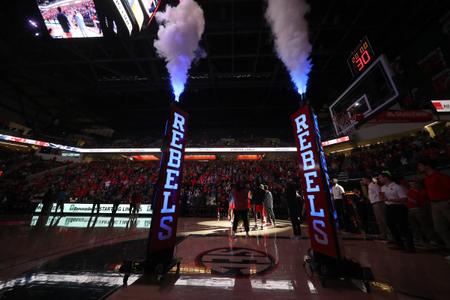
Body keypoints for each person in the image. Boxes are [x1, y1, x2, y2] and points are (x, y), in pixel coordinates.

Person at [417, 159, 450, 251]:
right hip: (434, 204)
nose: (418, 168)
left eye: (420, 165)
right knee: (439, 227)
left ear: (427, 166)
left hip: (445, 202)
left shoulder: (440, 176)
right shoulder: (426, 179)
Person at [379, 171, 415, 252]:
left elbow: (404, 199)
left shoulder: (397, 186)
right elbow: (384, 198)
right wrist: (383, 198)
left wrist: (391, 199)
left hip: (399, 207)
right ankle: (400, 244)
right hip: (389, 207)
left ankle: (410, 246)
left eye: (380, 177)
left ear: (386, 178)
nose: (379, 179)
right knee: (391, 226)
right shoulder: (383, 188)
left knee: (403, 226)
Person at [407, 180, 440, 246]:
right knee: (414, 226)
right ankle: (418, 239)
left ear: (417, 184)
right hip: (410, 210)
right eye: (410, 184)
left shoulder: (422, 191)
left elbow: (420, 202)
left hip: (419, 209)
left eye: (413, 183)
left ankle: (433, 240)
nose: (412, 185)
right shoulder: (410, 191)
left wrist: (410, 199)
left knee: (425, 225)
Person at [362, 176, 390, 240]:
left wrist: (382, 201)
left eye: (363, 179)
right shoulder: (370, 186)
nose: (363, 181)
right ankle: (384, 235)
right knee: (379, 221)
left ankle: (389, 235)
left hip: (378, 203)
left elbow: (379, 193)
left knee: (383, 220)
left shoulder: (373, 185)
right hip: (375, 203)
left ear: (367, 179)